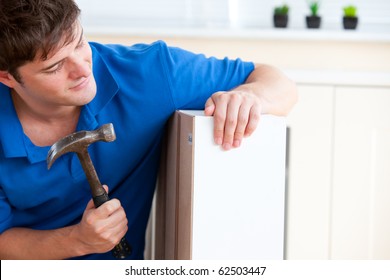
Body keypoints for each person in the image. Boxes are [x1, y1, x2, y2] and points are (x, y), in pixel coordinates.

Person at [0, 0, 297, 260]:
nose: (82, 69)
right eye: (54, 67)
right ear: (7, 77)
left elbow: (277, 82)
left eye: (79, 42)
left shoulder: (150, 74)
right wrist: (77, 241)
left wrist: (251, 97)